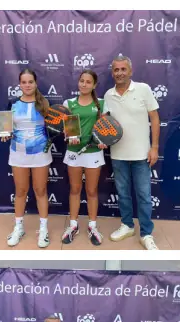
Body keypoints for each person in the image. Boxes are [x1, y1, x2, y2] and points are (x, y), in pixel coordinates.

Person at [103, 55, 161, 250]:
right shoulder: (108, 95)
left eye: (123, 69)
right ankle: (127, 225)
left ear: (130, 71)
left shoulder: (143, 89)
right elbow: (104, 122)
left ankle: (146, 234)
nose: (120, 73)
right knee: (123, 193)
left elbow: (155, 118)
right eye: (116, 70)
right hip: (118, 154)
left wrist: (154, 147)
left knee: (144, 195)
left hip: (142, 154)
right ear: (112, 73)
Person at [2, 69, 53, 248]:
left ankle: (43, 229)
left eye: (30, 82)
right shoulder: (12, 103)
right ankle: (19, 228)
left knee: (40, 190)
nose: (27, 85)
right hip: (18, 152)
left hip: (40, 153)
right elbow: (5, 128)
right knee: (21, 191)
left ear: (36, 83)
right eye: (24, 82)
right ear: (19, 84)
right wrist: (5, 134)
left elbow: (55, 126)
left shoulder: (44, 103)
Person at [61, 70, 108, 246]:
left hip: (93, 153)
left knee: (92, 191)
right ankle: (73, 225)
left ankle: (92, 226)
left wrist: (103, 141)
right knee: (75, 189)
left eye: (88, 82)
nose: (84, 84)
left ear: (94, 85)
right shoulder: (69, 103)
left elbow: (105, 128)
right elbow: (67, 128)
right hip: (73, 152)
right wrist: (69, 134)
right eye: (82, 81)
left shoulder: (101, 103)